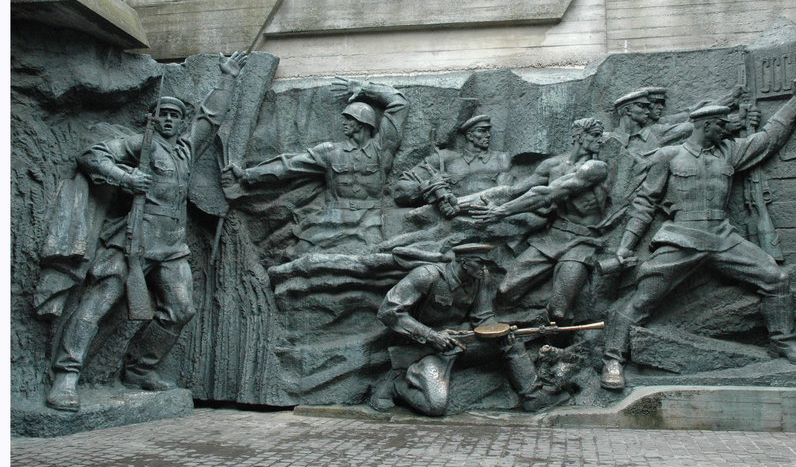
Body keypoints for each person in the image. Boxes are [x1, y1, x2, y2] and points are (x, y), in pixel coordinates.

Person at [47, 51, 248, 411]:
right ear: (152, 118)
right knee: (96, 307)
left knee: (181, 309)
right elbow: (92, 156)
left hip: (171, 248)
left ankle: (140, 369)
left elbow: (210, 117)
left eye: (174, 115)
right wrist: (125, 177)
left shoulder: (185, 150)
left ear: (181, 121)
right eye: (163, 114)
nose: (168, 119)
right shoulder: (140, 144)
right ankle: (66, 376)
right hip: (132, 242)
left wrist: (228, 77)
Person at [600, 95, 796, 391]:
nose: (726, 129)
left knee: (776, 278)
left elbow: (767, 139)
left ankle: (785, 342)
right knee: (644, 298)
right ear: (706, 125)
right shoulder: (668, 156)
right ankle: (613, 359)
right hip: (682, 237)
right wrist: (625, 246)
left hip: (722, 236)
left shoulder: (729, 152)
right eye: (721, 125)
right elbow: (645, 204)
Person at [372, 243, 570, 416]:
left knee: (511, 342)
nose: (484, 268)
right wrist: (431, 336)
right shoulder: (427, 276)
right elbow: (389, 311)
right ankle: (397, 384)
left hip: (459, 342)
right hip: (425, 347)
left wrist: (500, 332)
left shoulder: (480, 278)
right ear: (464, 262)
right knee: (435, 406)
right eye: (480, 263)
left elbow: (482, 317)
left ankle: (533, 397)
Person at [223, 77, 408, 254]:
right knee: (297, 253)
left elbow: (400, 103)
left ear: (361, 123)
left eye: (349, 118)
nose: (344, 122)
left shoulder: (381, 149)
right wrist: (247, 174)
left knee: (375, 258)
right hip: (331, 220)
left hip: (369, 223)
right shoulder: (330, 152)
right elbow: (289, 165)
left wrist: (364, 88)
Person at [471, 118, 610, 321]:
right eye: (595, 135)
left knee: (558, 310)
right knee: (504, 291)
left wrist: (502, 211)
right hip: (553, 236)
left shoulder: (596, 168)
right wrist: (467, 202)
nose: (600, 140)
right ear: (579, 136)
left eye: (601, 136)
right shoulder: (552, 165)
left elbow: (546, 194)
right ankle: (516, 328)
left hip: (583, 242)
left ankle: (551, 337)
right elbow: (515, 191)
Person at [392, 114, 513, 218]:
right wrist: (432, 187)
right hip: (450, 222)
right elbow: (400, 189)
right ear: (470, 136)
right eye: (482, 131)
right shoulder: (444, 159)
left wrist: (457, 206)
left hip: (490, 218)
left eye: (488, 131)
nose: (488, 135)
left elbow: (507, 194)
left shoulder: (502, 159)